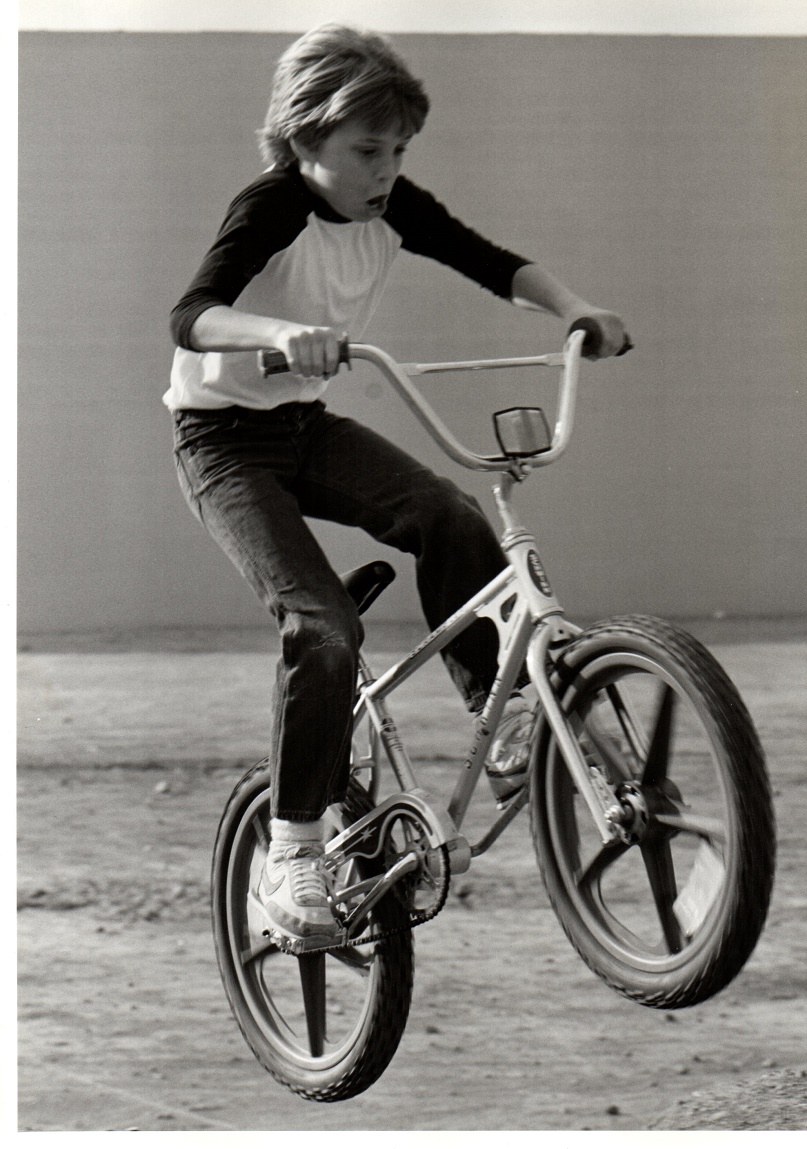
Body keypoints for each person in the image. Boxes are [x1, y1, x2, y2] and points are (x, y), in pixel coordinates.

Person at [167, 24, 631, 947]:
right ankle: (292, 850)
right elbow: (191, 315)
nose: (385, 171)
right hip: (222, 444)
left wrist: (574, 307)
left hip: (304, 427)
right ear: (304, 139)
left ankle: (503, 723)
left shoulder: (394, 208)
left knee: (444, 512)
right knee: (322, 623)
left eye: (398, 152)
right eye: (366, 151)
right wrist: (273, 333)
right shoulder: (273, 206)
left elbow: (488, 260)